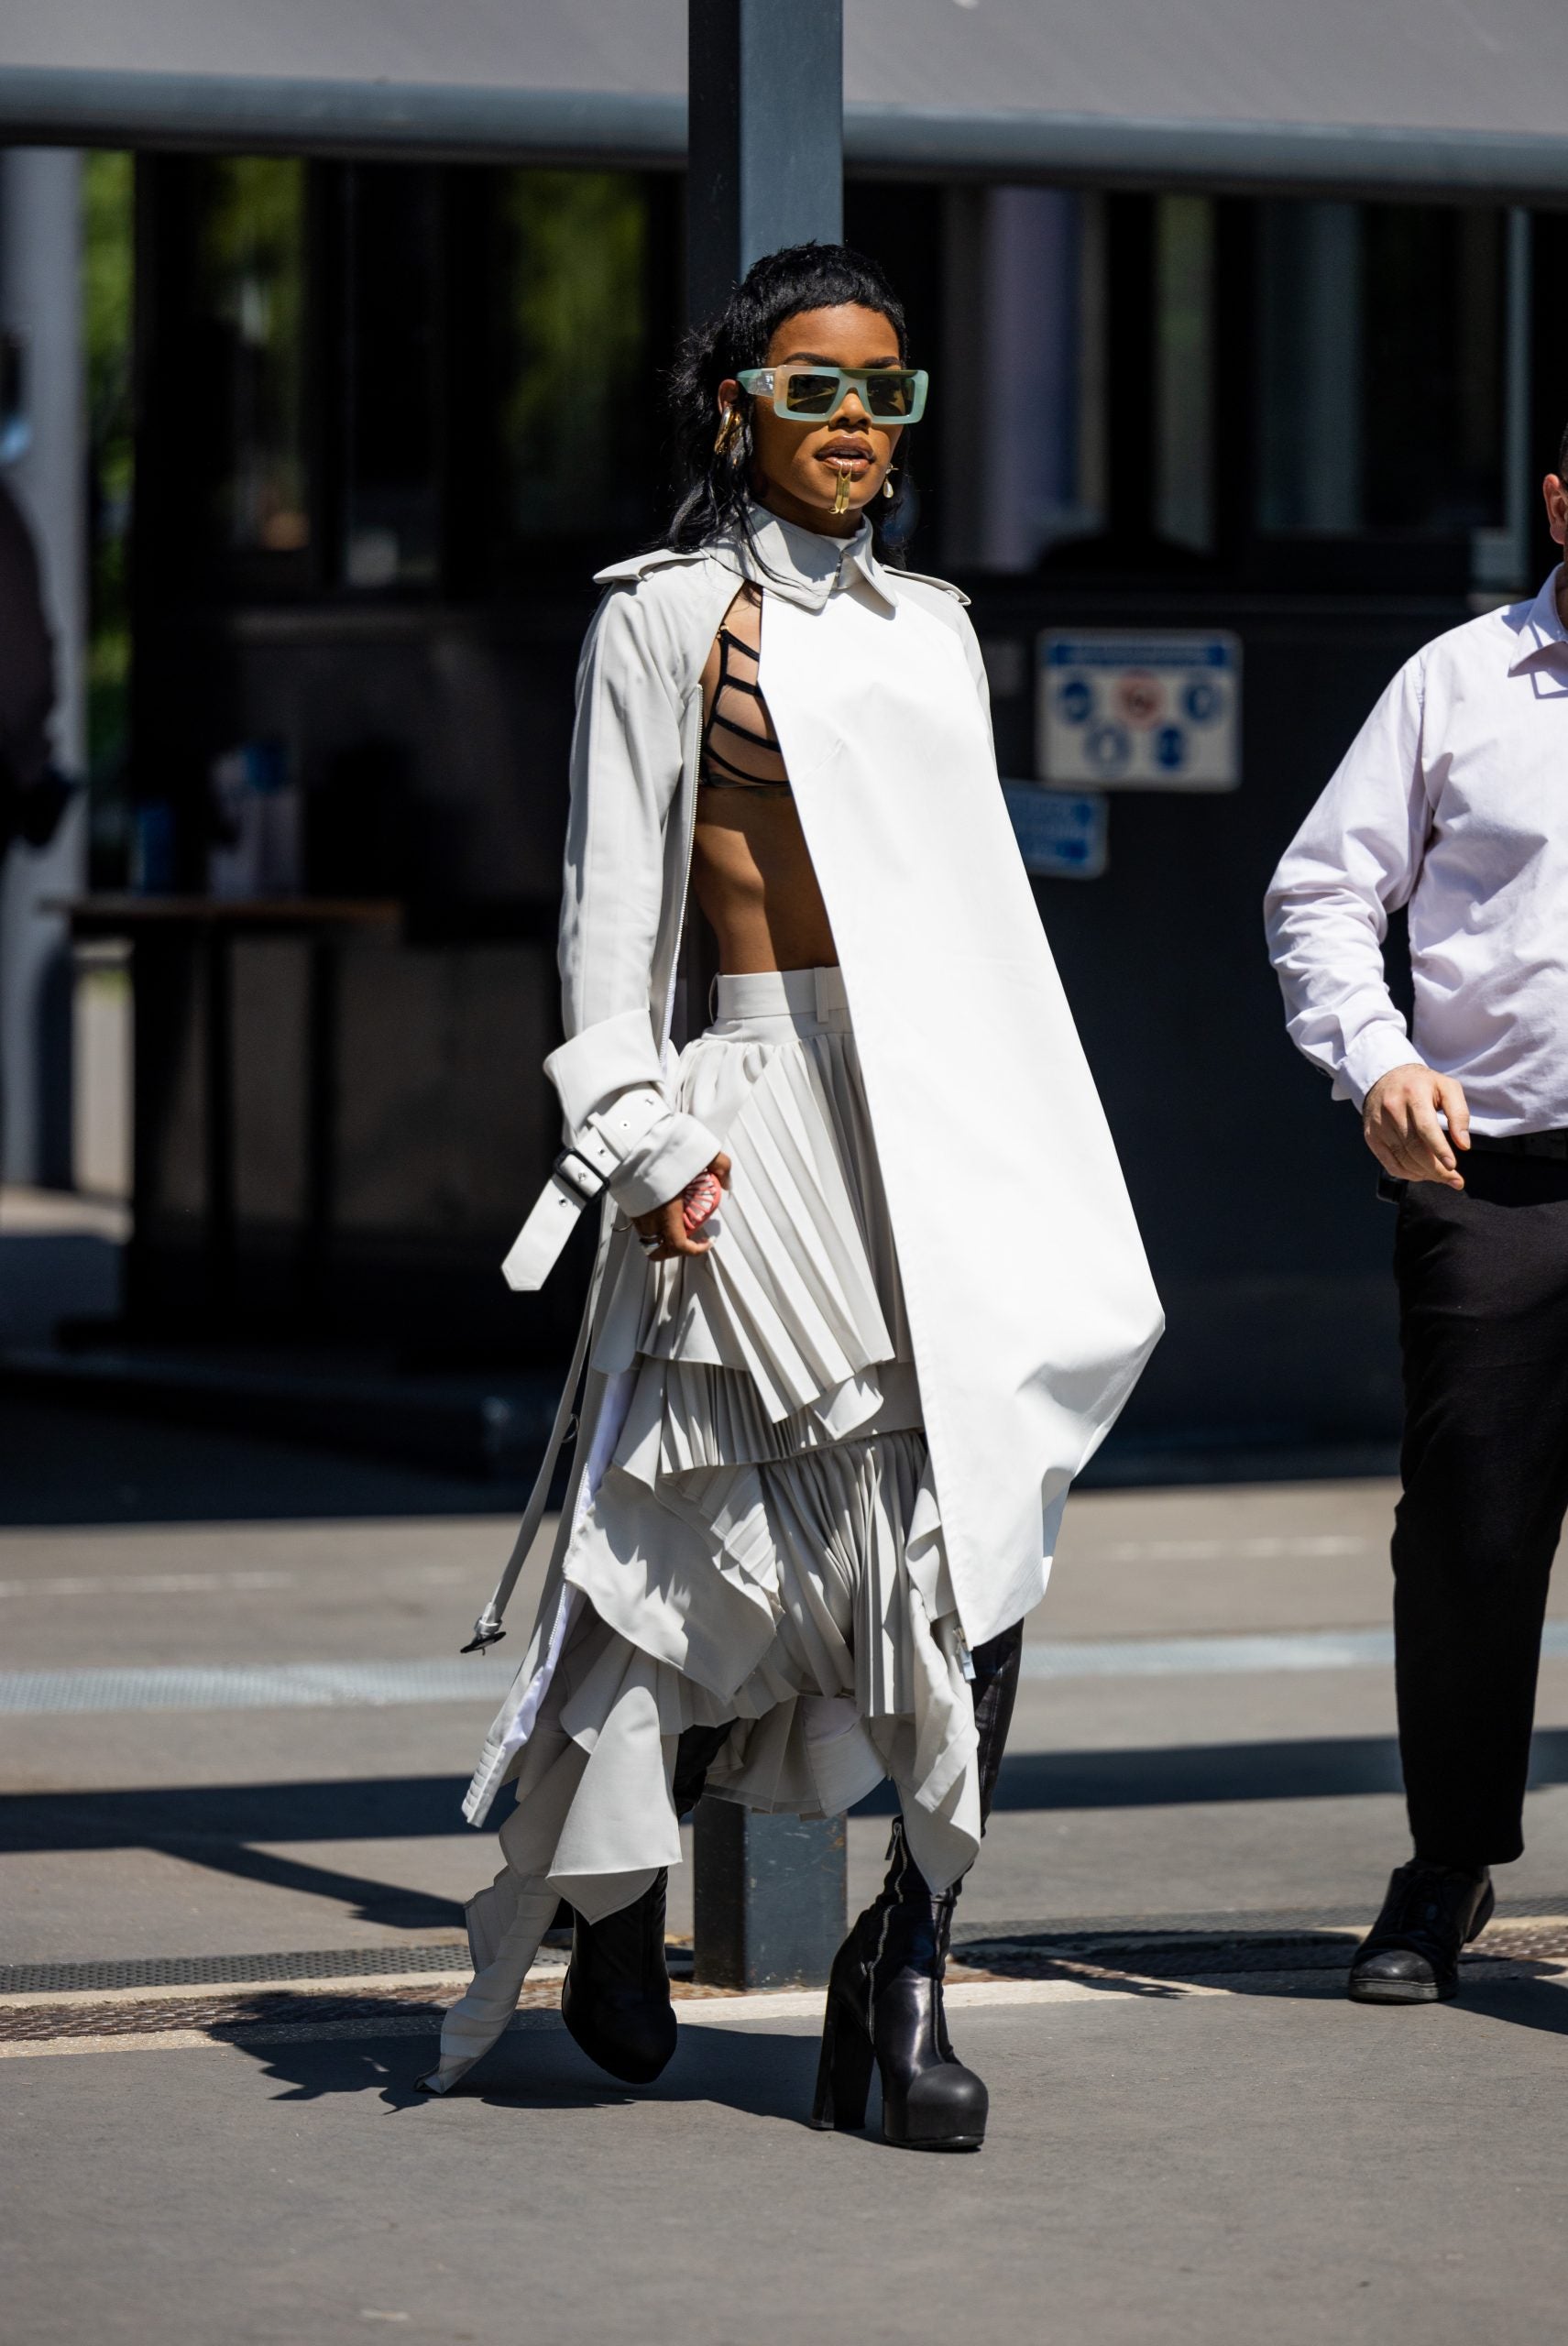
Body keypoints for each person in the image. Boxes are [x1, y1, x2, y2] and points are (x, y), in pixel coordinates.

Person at [424, 245, 1161, 2144]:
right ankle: (612, 1888)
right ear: (737, 400)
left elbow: (973, 922)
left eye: (888, 394)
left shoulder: (934, 627)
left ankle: (902, 1966)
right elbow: (608, 920)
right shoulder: (662, 621)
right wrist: (650, 1143)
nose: (855, 426)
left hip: (947, 1115)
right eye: (817, 388)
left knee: (973, 1519)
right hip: (749, 1107)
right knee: (680, 1517)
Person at [1266, 444, 1568, 2005]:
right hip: (1493, 1179)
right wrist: (1378, 1061)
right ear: (1564, 503)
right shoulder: (1459, 682)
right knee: (1468, 1536)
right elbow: (1321, 890)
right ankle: (1447, 1865)